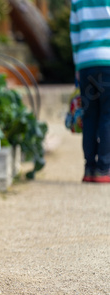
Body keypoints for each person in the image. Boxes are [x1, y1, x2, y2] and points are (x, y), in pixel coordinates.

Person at [70, 0, 110, 183]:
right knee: (107, 115)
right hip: (107, 61)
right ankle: (104, 168)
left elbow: (75, 33)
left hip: (86, 63)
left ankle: (89, 169)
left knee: (89, 115)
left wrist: (78, 65)